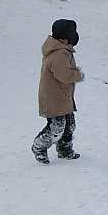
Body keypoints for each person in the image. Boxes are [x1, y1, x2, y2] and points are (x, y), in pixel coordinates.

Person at [32, 19, 85, 165]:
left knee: (69, 125)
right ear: (65, 38)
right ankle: (39, 147)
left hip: (62, 97)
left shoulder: (61, 50)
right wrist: (78, 74)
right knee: (57, 127)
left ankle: (65, 149)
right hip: (53, 99)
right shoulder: (59, 53)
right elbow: (64, 75)